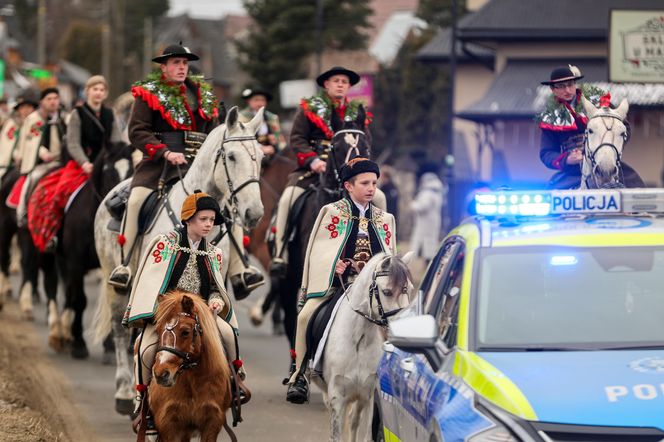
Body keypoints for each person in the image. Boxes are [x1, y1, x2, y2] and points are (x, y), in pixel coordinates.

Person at [109, 44, 263, 296]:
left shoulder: (204, 94)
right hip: (160, 164)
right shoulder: (148, 92)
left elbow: (215, 130)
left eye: (184, 63)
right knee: (136, 199)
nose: (181, 67)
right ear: (164, 67)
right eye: (176, 63)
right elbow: (137, 131)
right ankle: (125, 265)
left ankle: (240, 269)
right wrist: (164, 152)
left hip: (200, 162)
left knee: (229, 202)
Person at [124, 191, 246, 435]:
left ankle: (235, 383)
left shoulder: (213, 252)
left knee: (227, 333)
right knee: (146, 349)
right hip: (166, 312)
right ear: (188, 219)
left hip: (199, 314)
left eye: (212, 219)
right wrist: (167, 307)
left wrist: (215, 303)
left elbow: (214, 287)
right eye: (203, 219)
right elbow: (153, 281)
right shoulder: (166, 244)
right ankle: (143, 402)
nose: (209, 224)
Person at [286, 157, 396, 404]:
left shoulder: (385, 219)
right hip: (339, 285)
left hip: (374, 289)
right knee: (305, 317)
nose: (371, 188)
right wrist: (333, 264)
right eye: (364, 183)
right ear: (348, 186)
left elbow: (391, 259)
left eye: (374, 183)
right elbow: (319, 252)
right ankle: (300, 375)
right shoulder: (332, 213)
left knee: (396, 319)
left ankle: (392, 378)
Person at [271, 66, 369, 276]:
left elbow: (365, 141)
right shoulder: (309, 109)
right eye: (336, 80)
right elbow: (297, 138)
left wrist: (363, 169)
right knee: (288, 198)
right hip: (314, 171)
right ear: (326, 84)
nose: (340, 84)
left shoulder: (357, 112)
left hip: (351, 174)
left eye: (344, 81)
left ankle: (381, 245)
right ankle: (280, 253)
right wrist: (313, 160)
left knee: (378, 197)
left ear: (349, 86)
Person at [26, 75, 122, 252]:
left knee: (123, 192)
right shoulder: (78, 114)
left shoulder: (111, 114)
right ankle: (55, 234)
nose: (98, 93)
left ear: (106, 93)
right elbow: (73, 143)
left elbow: (116, 141)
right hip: (82, 165)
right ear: (87, 92)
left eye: (102, 90)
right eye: (95, 89)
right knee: (59, 193)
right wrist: (85, 163)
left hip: (106, 166)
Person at [537, 65, 642, 189]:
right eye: (561, 86)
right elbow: (547, 153)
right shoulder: (550, 118)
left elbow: (623, 128)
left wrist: (608, 147)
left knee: (637, 185)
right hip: (574, 171)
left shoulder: (598, 102)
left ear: (575, 84)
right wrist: (567, 159)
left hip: (607, 163)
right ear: (553, 89)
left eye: (570, 84)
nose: (567, 90)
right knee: (552, 197)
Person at [10, 88, 65, 226]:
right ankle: (22, 212)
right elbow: (32, 141)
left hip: (62, 160)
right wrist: (42, 152)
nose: (53, 102)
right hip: (42, 162)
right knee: (32, 178)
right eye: (49, 99)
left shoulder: (64, 117)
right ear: (42, 102)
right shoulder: (35, 119)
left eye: (55, 98)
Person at [0, 92, 38, 182]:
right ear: (18, 110)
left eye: (29, 107)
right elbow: (7, 145)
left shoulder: (36, 124)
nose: (26, 110)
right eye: (22, 107)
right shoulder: (13, 124)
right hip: (10, 165)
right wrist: (17, 155)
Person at [239, 86, 286, 158]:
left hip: (271, 152)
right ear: (249, 101)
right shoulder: (241, 117)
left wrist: (275, 142)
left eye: (263, 100)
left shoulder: (272, 117)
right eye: (256, 100)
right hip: (249, 155)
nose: (260, 103)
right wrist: (259, 148)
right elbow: (240, 140)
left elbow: (280, 139)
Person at [410, 168, 445, 264]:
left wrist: (413, 205)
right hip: (433, 220)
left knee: (426, 242)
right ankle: (428, 260)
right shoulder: (437, 192)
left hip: (426, 222)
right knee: (430, 241)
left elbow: (423, 206)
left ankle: (427, 262)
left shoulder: (427, 193)